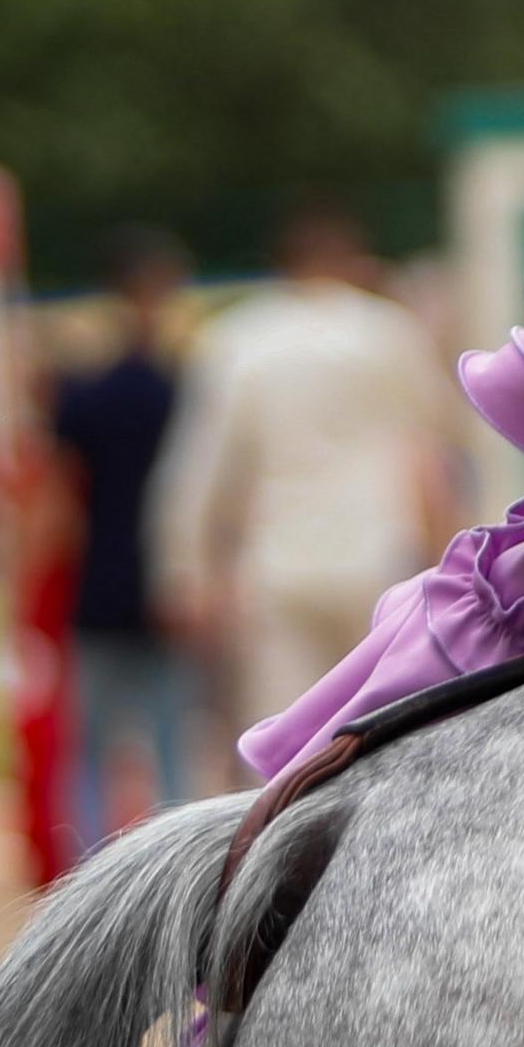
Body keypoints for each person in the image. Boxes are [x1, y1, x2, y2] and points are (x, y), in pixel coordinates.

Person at [153, 201, 462, 736]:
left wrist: (184, 572)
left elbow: (200, 468)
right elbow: (431, 455)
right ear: (351, 259)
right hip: (378, 557)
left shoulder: (238, 339)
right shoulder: (389, 331)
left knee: (284, 737)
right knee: (382, 732)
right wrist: (451, 556)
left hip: (277, 566)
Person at [47, 232, 196, 847]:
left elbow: (59, 501)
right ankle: (174, 864)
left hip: (100, 578)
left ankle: (83, 865)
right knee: (167, 741)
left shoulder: (81, 396)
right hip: (164, 580)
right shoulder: (186, 392)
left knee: (93, 747)